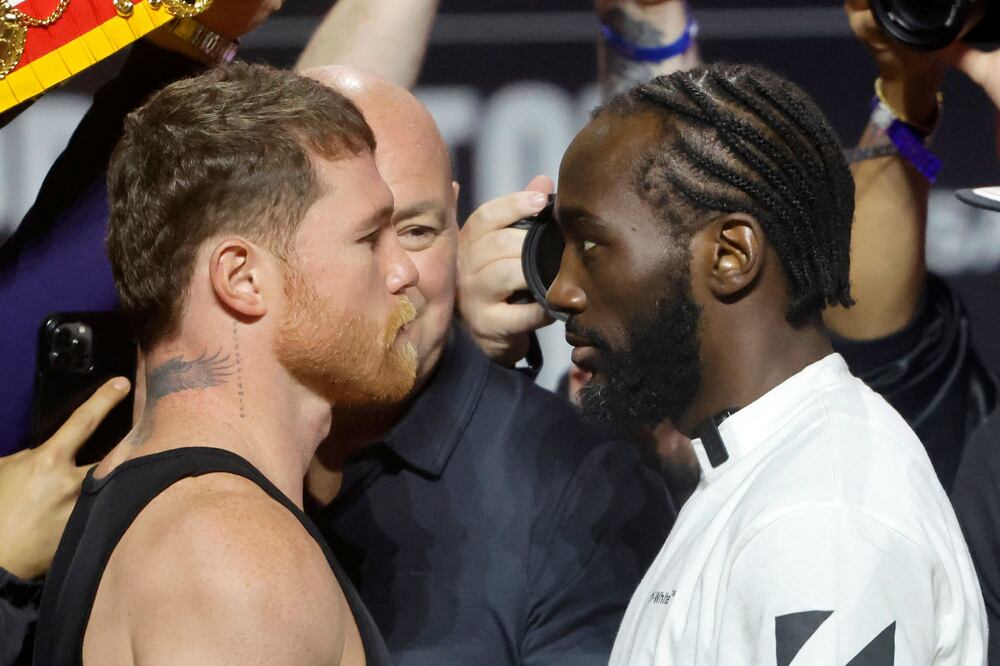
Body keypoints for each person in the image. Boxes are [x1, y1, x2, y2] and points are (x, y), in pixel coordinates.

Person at [546, 63, 986, 663]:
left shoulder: (819, 519)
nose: (560, 291)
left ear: (730, 255)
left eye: (591, 248)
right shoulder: (763, 475)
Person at [32, 63, 415, 665]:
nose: (403, 271)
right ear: (241, 278)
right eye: (369, 239)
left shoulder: (150, 494)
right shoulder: (230, 551)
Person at [301, 65, 673, 666]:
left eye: (418, 231)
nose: (400, 274)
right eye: (359, 238)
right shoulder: (167, 461)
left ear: (456, 216)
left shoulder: (583, 489)